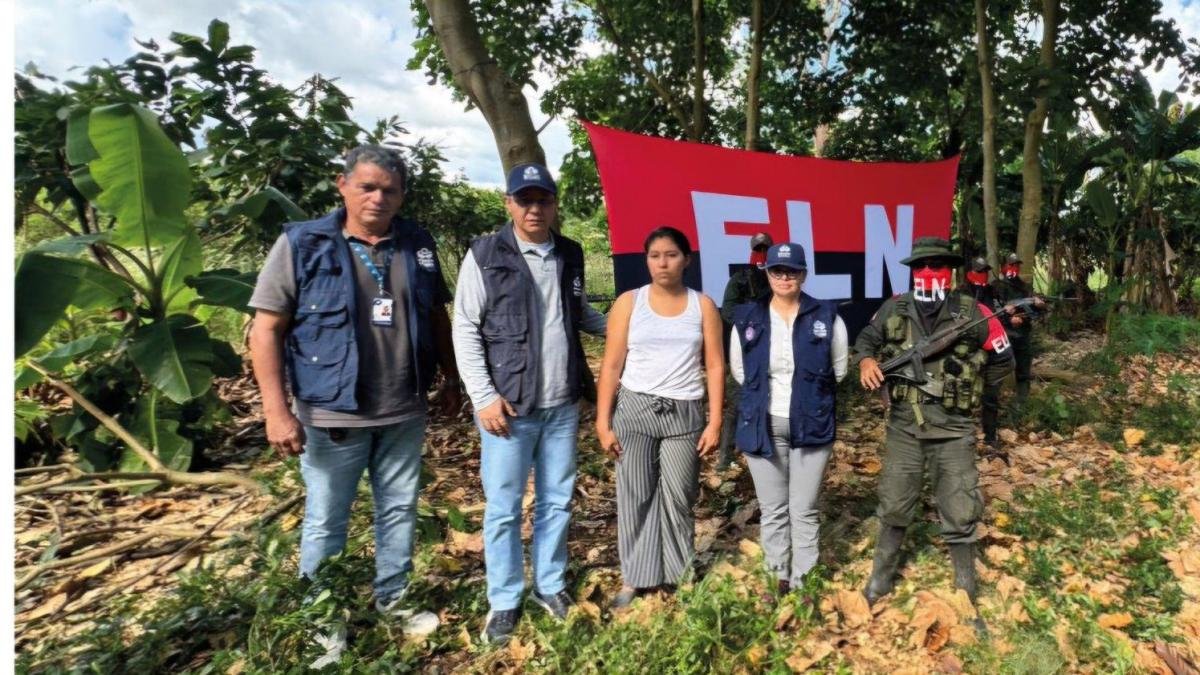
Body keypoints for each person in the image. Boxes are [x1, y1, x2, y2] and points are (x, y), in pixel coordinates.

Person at [248, 145, 460, 662]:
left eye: (389, 189)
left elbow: (435, 317)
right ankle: (324, 620)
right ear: (341, 185)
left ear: (402, 195)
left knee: (399, 509)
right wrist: (276, 411)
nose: (378, 198)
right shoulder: (303, 244)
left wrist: (452, 378)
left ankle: (394, 598)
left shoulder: (416, 244)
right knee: (326, 518)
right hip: (332, 411)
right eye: (367, 186)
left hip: (404, 407)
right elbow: (266, 329)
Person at [451, 162, 608, 644]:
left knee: (557, 501)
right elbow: (465, 327)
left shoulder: (570, 254)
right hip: (509, 408)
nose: (534, 208)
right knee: (502, 507)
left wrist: (631, 329)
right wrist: (483, 397)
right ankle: (504, 599)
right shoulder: (485, 254)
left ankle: (550, 585)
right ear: (509, 204)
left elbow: (580, 315)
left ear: (554, 205)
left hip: (561, 404)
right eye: (525, 200)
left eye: (543, 200)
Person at [853, 237, 1013, 631]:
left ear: (951, 270)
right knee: (894, 504)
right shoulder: (896, 307)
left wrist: (969, 389)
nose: (929, 273)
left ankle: (965, 589)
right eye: (921, 266)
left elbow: (1002, 357)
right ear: (913, 272)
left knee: (960, 508)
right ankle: (880, 580)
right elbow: (865, 340)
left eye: (937, 265)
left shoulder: (972, 311)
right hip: (905, 427)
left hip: (954, 430)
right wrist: (867, 362)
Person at [595, 226, 725, 609]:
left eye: (671, 255)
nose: (662, 262)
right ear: (646, 260)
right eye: (654, 255)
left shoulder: (702, 306)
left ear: (686, 260)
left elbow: (715, 365)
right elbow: (612, 364)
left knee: (679, 495)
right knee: (635, 494)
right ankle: (636, 576)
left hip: (684, 411)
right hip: (635, 409)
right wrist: (604, 421)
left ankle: (678, 573)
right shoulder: (629, 303)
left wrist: (715, 420)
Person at [729, 242, 848, 598]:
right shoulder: (749, 316)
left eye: (792, 271)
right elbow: (739, 370)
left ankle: (804, 579)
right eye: (777, 271)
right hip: (762, 423)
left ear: (804, 274)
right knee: (773, 508)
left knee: (804, 507)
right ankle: (777, 576)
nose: (785, 277)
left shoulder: (826, 316)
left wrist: (809, 399)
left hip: (811, 423)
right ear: (767, 273)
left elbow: (839, 369)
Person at [717, 232, 774, 469]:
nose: (761, 251)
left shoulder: (776, 277)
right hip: (744, 345)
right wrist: (751, 322)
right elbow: (727, 311)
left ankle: (762, 450)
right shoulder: (740, 279)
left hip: (771, 345)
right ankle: (725, 456)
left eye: (765, 247)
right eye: (758, 247)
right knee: (737, 401)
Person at [961, 256, 1009, 458]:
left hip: (990, 351)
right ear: (970, 273)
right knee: (961, 395)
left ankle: (990, 437)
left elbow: (999, 314)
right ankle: (961, 439)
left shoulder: (992, 291)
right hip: (967, 354)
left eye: (985, 271)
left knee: (991, 397)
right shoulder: (959, 295)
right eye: (979, 271)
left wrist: (1010, 315)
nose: (983, 275)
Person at [990, 253, 1046, 411]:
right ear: (1003, 267)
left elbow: (1035, 311)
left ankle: (1022, 403)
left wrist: (1039, 305)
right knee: (997, 370)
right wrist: (1008, 319)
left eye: (1016, 266)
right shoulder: (996, 286)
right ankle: (993, 402)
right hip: (1003, 335)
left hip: (1022, 334)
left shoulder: (1024, 287)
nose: (1013, 269)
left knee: (1023, 370)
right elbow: (991, 311)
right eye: (1010, 265)